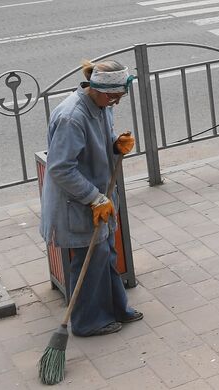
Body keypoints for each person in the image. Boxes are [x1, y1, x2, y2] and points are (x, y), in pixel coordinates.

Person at [39, 60, 141, 337]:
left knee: (106, 253)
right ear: (96, 89)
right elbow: (61, 168)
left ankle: (117, 307)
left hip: (99, 196)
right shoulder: (71, 117)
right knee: (91, 259)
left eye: (119, 97)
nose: (116, 103)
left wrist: (115, 146)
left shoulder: (102, 105)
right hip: (78, 201)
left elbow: (99, 142)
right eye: (113, 97)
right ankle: (88, 321)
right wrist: (93, 198)